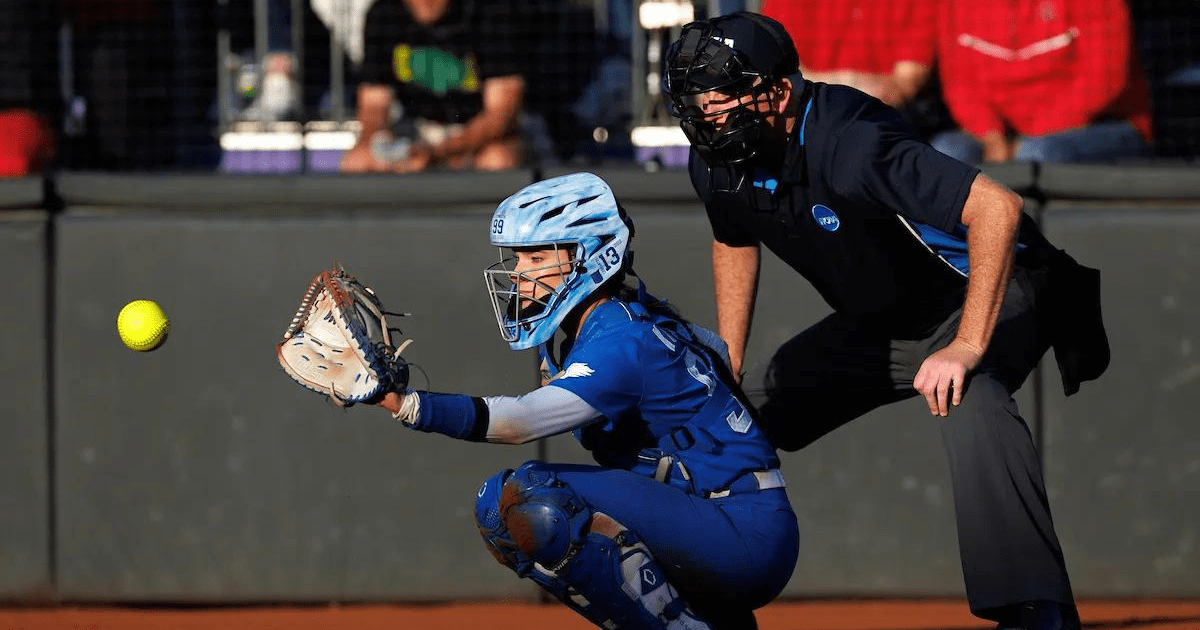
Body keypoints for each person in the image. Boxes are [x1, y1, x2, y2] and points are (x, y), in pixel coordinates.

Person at [663, 12, 1109, 630]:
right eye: (698, 99)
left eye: (724, 96)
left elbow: (998, 209)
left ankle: (1036, 609)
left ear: (780, 92)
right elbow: (733, 238)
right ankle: (693, 596)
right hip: (885, 321)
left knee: (971, 397)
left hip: (994, 289)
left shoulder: (851, 143)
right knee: (731, 417)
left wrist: (967, 345)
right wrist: (729, 360)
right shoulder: (719, 157)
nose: (708, 113)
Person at [371, 172, 799, 629]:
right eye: (518, 257)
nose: (517, 272)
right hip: (702, 516)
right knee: (500, 514)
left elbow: (519, 423)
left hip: (740, 528)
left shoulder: (621, 338)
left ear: (592, 256)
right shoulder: (599, 327)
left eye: (537, 257)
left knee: (527, 496)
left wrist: (406, 403)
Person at [930, 0, 1154, 164]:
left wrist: (1026, 138)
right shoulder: (956, 5)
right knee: (946, 153)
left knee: (1035, 155)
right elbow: (959, 84)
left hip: (1100, 125)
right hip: (1002, 135)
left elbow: (1102, 83)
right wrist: (989, 133)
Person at [339, 0, 530, 173]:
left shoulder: (491, 10)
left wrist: (440, 152)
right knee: (358, 161)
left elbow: (501, 114)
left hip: (476, 134)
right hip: (415, 131)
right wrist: (381, 142)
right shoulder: (384, 13)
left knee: (498, 160)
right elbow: (373, 105)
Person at [760, 0, 935, 112]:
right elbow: (777, 72)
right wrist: (853, 84)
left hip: (886, 121)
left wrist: (821, 85)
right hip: (804, 117)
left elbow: (903, 85)